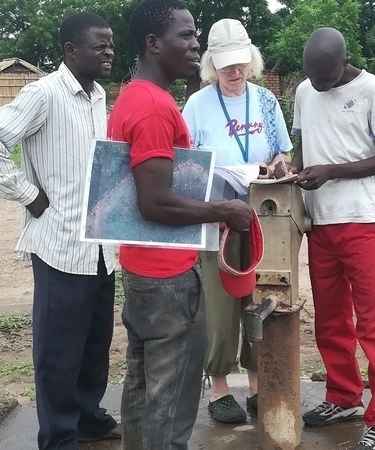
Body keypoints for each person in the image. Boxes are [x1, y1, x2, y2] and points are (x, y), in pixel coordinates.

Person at [107, 1, 254, 448]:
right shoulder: (153, 107)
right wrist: (223, 211)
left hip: (142, 267)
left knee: (143, 386)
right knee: (171, 398)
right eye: (186, 36)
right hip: (168, 275)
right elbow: (153, 202)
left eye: (196, 36)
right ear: (154, 44)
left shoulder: (135, 95)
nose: (195, 46)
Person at [0, 12, 120, 449]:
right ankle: (58, 435)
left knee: (95, 343)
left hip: (99, 245)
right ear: (71, 51)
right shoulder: (43, 94)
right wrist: (27, 194)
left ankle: (89, 417)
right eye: (100, 44)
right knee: (59, 351)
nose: (108, 51)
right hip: (59, 245)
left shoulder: (96, 96)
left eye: (110, 43)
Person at [288, 28, 375, 450]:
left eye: (325, 77)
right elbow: (304, 144)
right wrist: (293, 171)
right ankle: (343, 396)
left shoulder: (374, 90)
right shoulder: (304, 90)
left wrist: (330, 170)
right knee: (331, 319)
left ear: (343, 61)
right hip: (319, 224)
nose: (318, 84)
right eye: (312, 76)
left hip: (359, 221)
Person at [181, 18, 292, 424]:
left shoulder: (265, 100)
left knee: (260, 296)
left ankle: (258, 384)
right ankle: (220, 388)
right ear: (211, 64)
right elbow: (186, 165)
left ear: (251, 59)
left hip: (263, 213)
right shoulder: (197, 105)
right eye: (226, 65)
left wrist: (279, 168)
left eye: (240, 63)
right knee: (221, 296)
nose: (234, 72)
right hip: (218, 215)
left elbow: (281, 154)